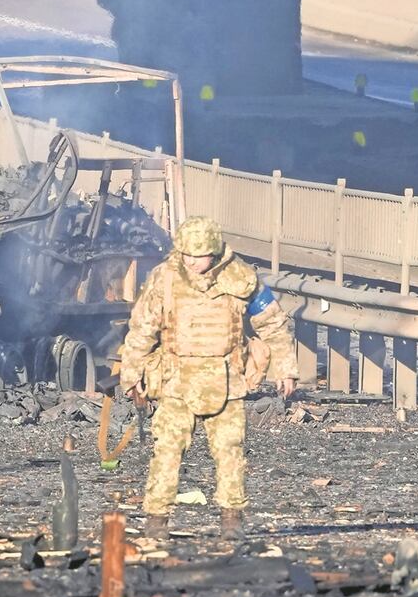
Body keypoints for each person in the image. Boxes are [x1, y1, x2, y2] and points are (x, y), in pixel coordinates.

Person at [120, 216, 298, 541]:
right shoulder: (165, 279)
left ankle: (232, 521)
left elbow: (273, 324)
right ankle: (156, 522)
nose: (192, 261)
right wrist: (132, 374)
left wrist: (286, 368)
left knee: (230, 451)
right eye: (186, 254)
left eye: (198, 255)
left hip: (227, 381)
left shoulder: (242, 278)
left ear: (214, 253)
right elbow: (142, 329)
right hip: (176, 381)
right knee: (167, 451)